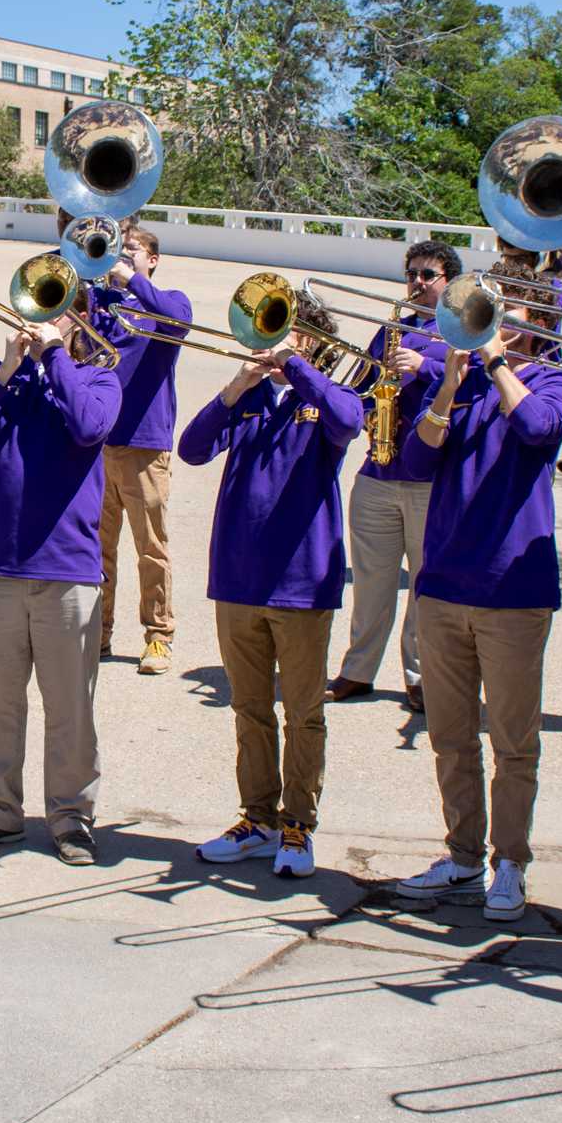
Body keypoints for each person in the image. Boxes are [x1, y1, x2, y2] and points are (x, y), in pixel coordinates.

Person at [392, 265, 562, 920]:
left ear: (541, 322)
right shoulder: (462, 384)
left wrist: (499, 366)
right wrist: (445, 384)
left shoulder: (553, 381)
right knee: (450, 735)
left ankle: (512, 862)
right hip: (443, 583)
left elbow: (537, 432)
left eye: (513, 310)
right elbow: (415, 462)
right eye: (493, 309)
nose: (496, 320)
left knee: (514, 742)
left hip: (513, 590)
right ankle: (464, 857)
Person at [179, 293, 362, 879]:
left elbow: (349, 421)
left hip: (302, 579)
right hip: (238, 574)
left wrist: (298, 369)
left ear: (309, 340)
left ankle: (298, 825)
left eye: (285, 331)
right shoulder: (250, 397)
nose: (270, 340)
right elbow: (192, 448)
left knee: (303, 714)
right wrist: (235, 386)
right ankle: (256, 818)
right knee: (249, 708)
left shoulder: (326, 396)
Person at [0, 308, 119, 864]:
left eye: (56, 310)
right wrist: (6, 371)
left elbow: (89, 427)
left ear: (78, 320)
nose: (39, 321)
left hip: (67, 569)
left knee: (70, 709)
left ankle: (71, 819)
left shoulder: (98, 376)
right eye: (33, 309)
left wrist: (55, 357)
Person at [328, 240, 458, 712]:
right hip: (379, 469)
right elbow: (361, 385)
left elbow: (477, 375)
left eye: (429, 275)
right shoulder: (392, 330)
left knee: (425, 586)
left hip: (431, 480)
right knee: (371, 581)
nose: (418, 283)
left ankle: (420, 676)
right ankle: (358, 670)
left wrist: (427, 366)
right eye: (413, 275)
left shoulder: (460, 331)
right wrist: (363, 411)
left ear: (449, 284)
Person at [87, 222, 190, 674]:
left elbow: (180, 322)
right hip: (97, 443)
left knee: (151, 547)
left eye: (131, 251)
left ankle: (158, 636)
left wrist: (133, 281)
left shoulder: (168, 303)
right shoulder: (101, 305)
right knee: (96, 548)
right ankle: (98, 633)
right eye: (118, 252)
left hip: (145, 443)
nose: (122, 257)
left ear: (153, 259)